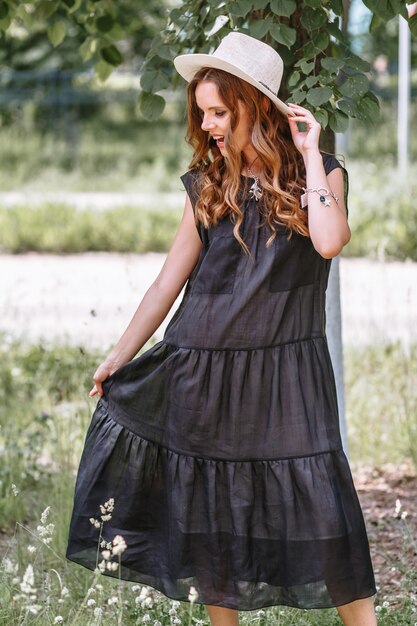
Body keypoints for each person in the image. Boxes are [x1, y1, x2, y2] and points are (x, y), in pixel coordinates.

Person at [66, 32, 377, 626]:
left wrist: (310, 154)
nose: (207, 125)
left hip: (289, 371)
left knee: (323, 508)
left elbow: (331, 241)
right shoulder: (208, 185)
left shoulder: (323, 175)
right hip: (202, 366)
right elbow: (166, 284)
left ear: (254, 107)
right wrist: (118, 354)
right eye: (201, 112)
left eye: (218, 112)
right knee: (212, 513)